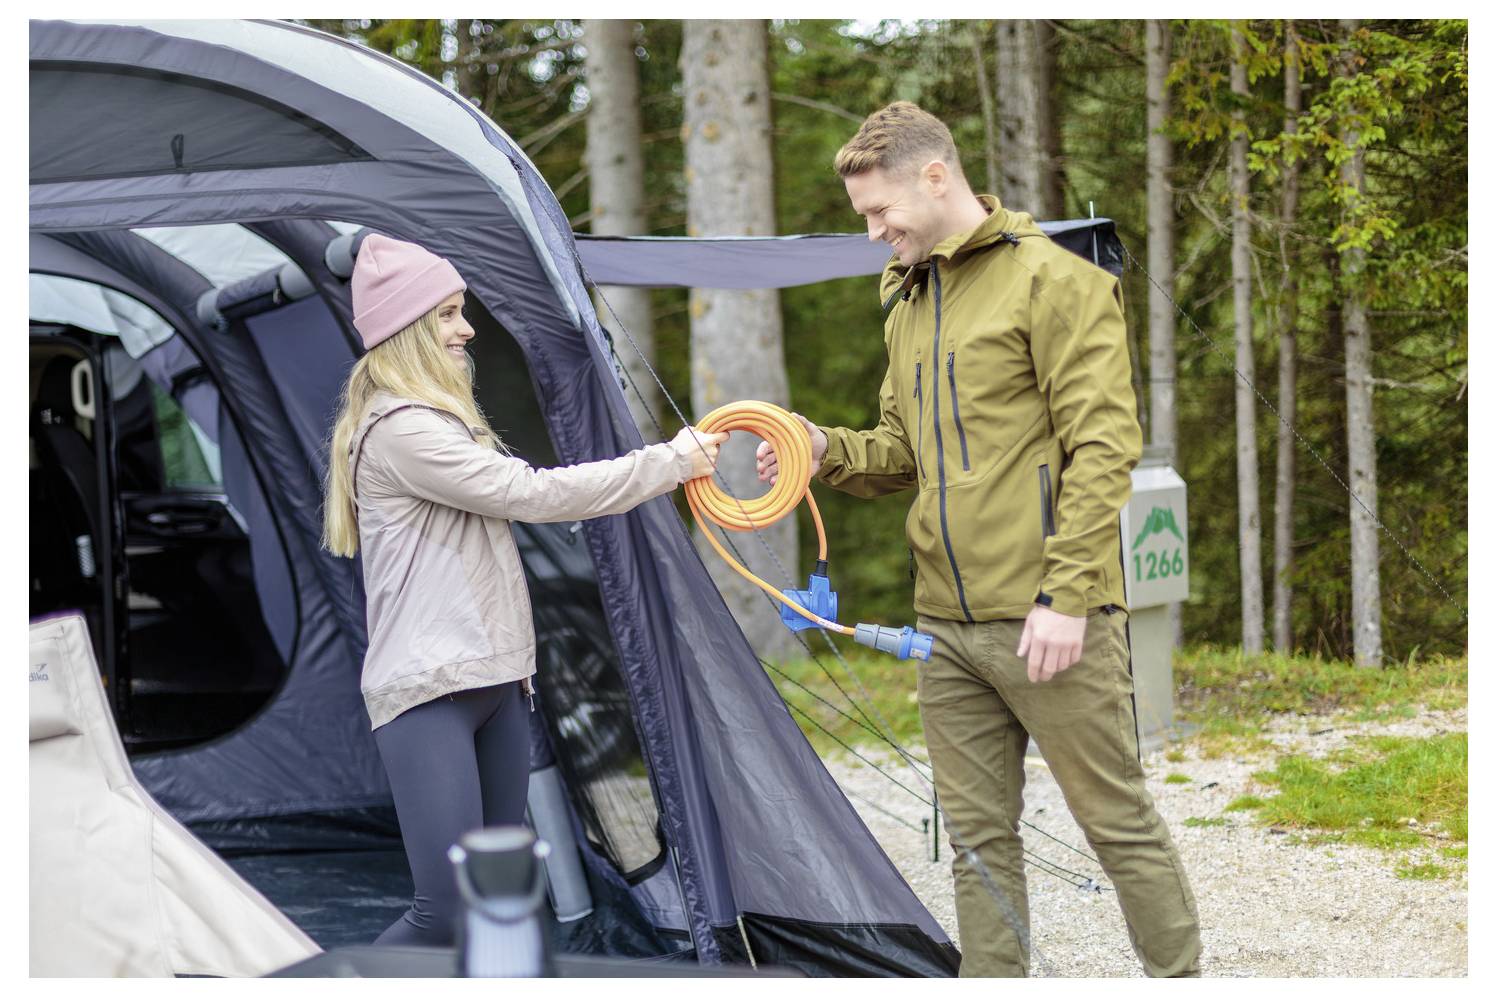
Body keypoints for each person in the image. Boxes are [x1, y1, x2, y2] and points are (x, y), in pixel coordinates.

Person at [755, 102, 1202, 977]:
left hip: (1049, 617)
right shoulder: (906, 297)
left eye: (880, 211)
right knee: (973, 838)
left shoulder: (1054, 280)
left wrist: (1065, 595)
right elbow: (901, 452)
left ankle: (1179, 977)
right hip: (944, 630)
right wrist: (822, 448)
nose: (874, 232)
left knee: (1113, 820)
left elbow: (1103, 446)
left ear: (935, 176)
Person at [321, 233, 726, 946]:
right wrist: (670, 462)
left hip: (497, 681)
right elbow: (531, 493)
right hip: (429, 693)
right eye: (447, 314)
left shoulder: (438, 419)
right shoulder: (400, 430)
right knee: (445, 912)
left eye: (461, 311)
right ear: (407, 329)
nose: (467, 329)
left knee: (496, 900)